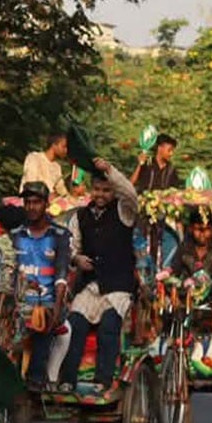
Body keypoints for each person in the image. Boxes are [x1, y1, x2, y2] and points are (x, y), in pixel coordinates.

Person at [58, 158, 139, 394]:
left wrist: (109, 170)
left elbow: (131, 193)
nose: (101, 194)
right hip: (90, 286)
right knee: (74, 325)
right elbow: (71, 245)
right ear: (91, 190)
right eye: (97, 189)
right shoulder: (80, 216)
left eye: (106, 190)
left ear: (113, 192)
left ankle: (103, 381)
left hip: (117, 286)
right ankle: (67, 380)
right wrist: (76, 259)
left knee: (109, 326)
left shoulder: (124, 211)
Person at [11, 181, 71, 390]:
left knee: (43, 320)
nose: (31, 207)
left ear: (46, 204)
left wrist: (56, 306)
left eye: (36, 202)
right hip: (18, 301)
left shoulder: (60, 236)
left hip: (48, 301)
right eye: (27, 202)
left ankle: (36, 380)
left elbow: (62, 274)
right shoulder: (15, 235)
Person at [170, 214, 212, 301]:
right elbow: (174, 271)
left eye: (206, 229)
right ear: (191, 229)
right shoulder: (184, 248)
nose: (202, 234)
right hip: (187, 298)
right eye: (198, 230)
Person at [20, 133, 69, 199]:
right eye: (64, 147)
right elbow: (31, 184)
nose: (66, 150)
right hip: (32, 201)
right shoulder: (34, 158)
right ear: (54, 145)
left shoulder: (57, 167)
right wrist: (47, 195)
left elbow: (62, 190)